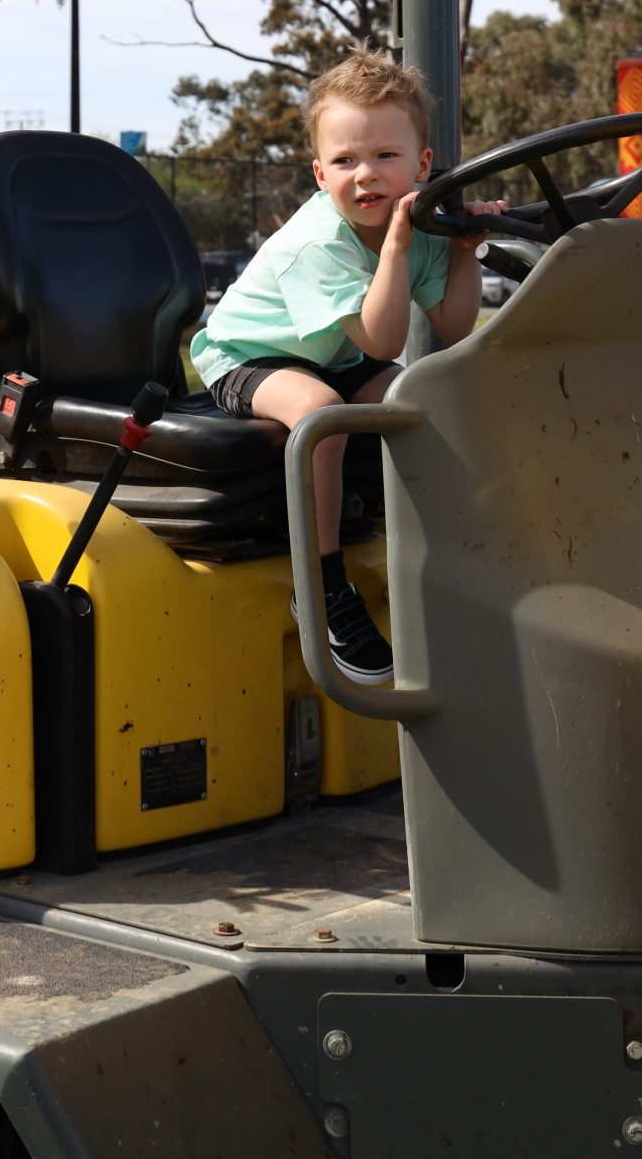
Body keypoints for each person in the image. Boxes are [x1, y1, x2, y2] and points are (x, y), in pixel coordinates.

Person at [190, 49, 505, 685]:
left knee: (430, 396)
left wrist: (464, 249)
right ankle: (322, 585)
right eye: (345, 161)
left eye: (386, 155)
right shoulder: (320, 241)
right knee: (321, 415)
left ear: (421, 165)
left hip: (336, 354)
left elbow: (451, 324)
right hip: (249, 356)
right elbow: (384, 339)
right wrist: (396, 247)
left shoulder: (421, 225)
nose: (366, 175)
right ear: (319, 173)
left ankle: (447, 553)